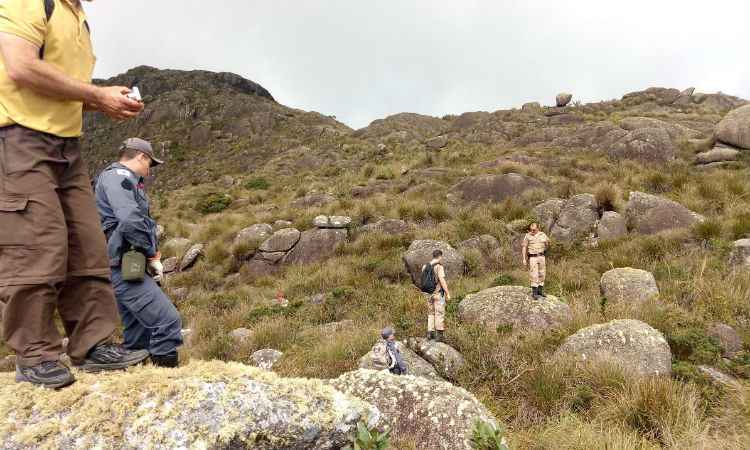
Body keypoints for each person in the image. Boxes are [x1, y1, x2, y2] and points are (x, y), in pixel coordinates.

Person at [0, 0, 149, 388]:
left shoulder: (77, 16)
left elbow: (55, 86)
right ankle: (34, 354)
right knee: (36, 245)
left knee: (85, 244)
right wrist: (96, 96)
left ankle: (93, 344)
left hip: (66, 145)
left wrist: (101, 101)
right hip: (17, 138)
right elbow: (20, 66)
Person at [95, 138, 183, 368]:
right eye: (149, 164)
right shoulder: (119, 177)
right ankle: (167, 382)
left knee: (138, 331)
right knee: (167, 322)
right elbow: (130, 219)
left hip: (127, 263)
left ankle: (136, 380)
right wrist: (152, 254)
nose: (149, 170)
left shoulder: (126, 180)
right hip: (123, 264)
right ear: (141, 156)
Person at [425, 249, 451, 342]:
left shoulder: (425, 266)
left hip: (428, 294)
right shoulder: (439, 266)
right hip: (438, 293)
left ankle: (430, 333)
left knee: (431, 313)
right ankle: (439, 336)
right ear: (440, 256)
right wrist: (447, 293)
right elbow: (442, 280)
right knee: (439, 313)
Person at [522, 222, 550, 300]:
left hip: (541, 256)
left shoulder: (543, 234)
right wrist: (524, 259)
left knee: (542, 273)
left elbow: (547, 244)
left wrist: (546, 243)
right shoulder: (527, 236)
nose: (532, 231)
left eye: (534, 229)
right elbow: (524, 247)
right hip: (533, 257)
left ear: (538, 228)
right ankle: (534, 293)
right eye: (531, 229)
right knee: (534, 274)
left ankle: (540, 291)